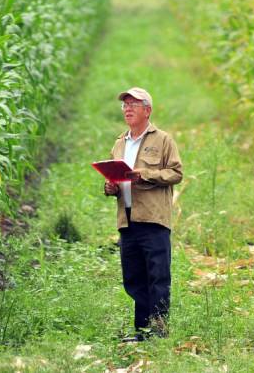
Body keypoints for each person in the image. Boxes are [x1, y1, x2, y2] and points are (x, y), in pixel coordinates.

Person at [103, 87, 183, 342]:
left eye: (133, 104)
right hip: (127, 219)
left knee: (158, 276)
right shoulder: (119, 143)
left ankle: (158, 332)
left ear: (147, 110)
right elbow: (115, 179)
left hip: (153, 219)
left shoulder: (163, 140)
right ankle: (142, 331)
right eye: (125, 105)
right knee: (134, 278)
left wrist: (144, 174)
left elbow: (176, 173)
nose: (127, 108)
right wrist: (110, 186)